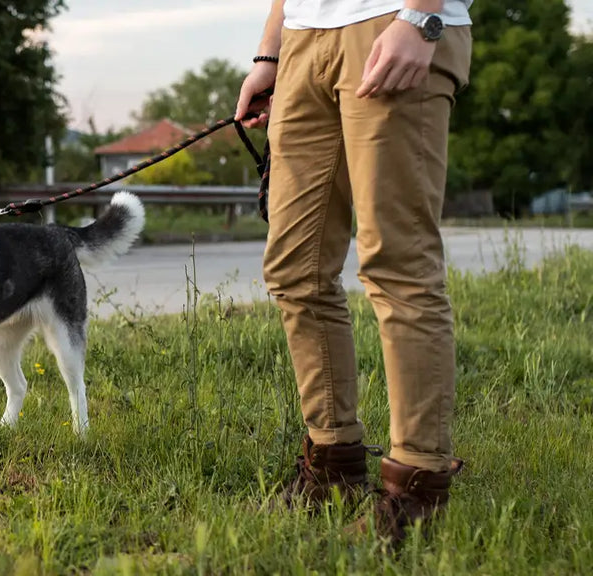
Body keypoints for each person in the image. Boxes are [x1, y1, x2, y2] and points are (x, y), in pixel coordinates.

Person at [234, 0, 473, 547]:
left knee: (398, 265)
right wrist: (270, 53)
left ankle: (417, 492)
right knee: (295, 269)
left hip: (392, 21)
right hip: (303, 41)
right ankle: (333, 465)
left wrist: (421, 17)